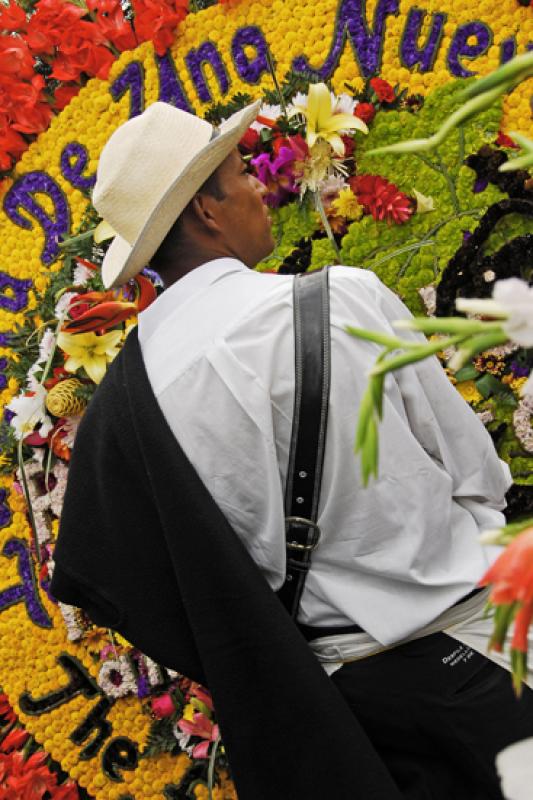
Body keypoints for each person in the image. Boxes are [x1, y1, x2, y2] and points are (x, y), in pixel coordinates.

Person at [51, 100, 533, 800]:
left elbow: (139, 588)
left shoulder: (128, 403)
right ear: (206, 213)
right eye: (242, 174)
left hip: (339, 716)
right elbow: (474, 474)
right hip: (476, 665)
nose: (258, 188)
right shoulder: (342, 300)